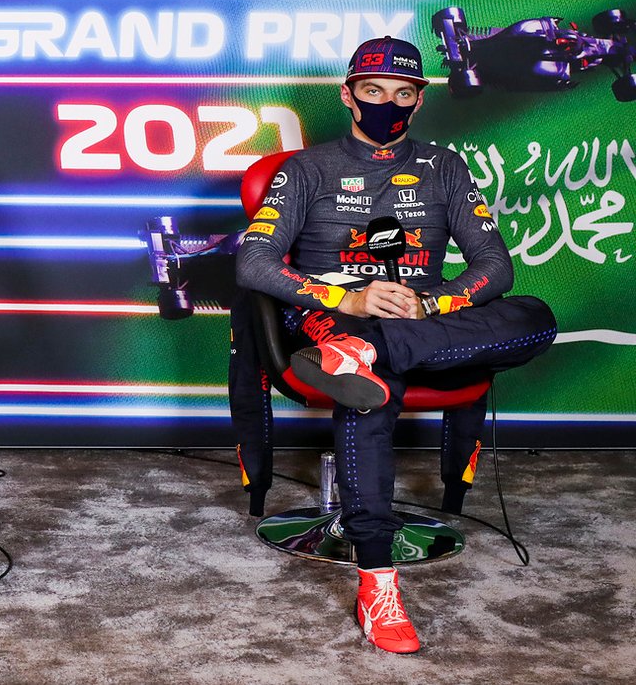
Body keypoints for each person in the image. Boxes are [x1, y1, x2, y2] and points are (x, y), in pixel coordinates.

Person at [235, 37, 556, 653]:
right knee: (369, 395)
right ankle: (378, 584)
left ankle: (376, 351)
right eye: (373, 90)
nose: (388, 103)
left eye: (403, 93)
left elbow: (495, 267)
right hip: (336, 322)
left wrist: (432, 304)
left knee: (535, 317)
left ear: (419, 100)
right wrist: (349, 301)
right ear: (347, 94)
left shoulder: (444, 167)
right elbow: (253, 263)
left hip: (423, 319)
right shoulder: (306, 169)